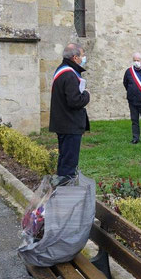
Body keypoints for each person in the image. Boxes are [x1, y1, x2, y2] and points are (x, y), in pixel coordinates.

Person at [49, 43, 90, 181]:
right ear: (75, 57)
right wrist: (86, 95)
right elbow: (74, 101)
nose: (84, 58)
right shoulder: (69, 74)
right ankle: (66, 191)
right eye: (82, 55)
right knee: (69, 163)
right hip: (69, 123)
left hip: (63, 122)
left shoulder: (62, 70)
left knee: (65, 158)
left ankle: (62, 186)